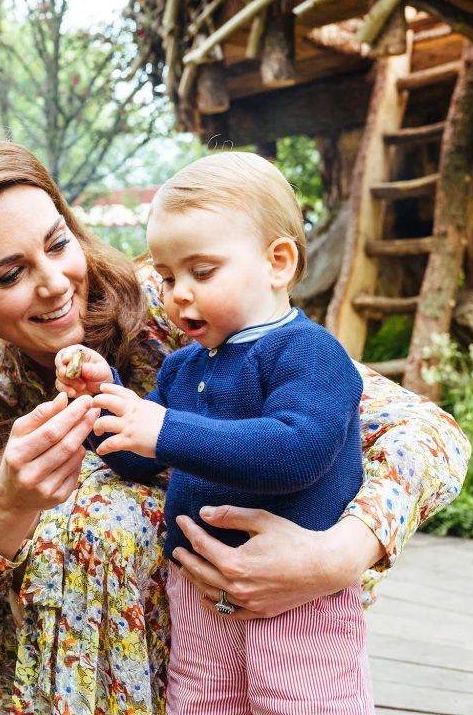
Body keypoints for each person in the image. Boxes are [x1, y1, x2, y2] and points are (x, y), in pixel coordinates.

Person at [0, 138, 470, 715]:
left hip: (244, 659)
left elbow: (429, 433)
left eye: (58, 244)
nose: (55, 283)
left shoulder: (186, 310)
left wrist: (340, 555)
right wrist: (7, 504)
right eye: (10, 275)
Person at [55, 153, 371, 713]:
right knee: (201, 702)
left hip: (295, 601)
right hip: (197, 595)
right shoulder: (183, 367)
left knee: (302, 703)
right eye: (168, 276)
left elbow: (299, 450)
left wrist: (166, 430)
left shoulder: (309, 353)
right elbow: (138, 457)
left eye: (202, 272)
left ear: (277, 263)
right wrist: (102, 403)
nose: (179, 293)